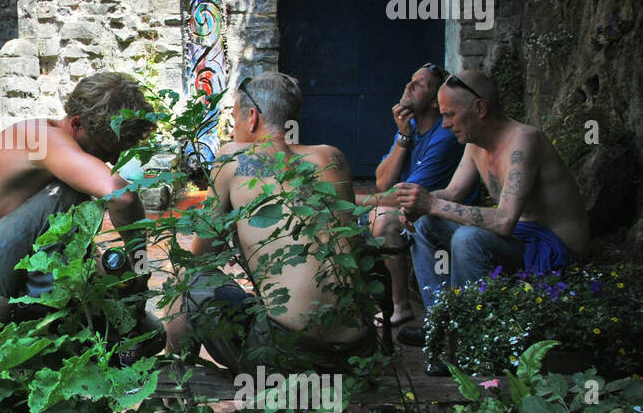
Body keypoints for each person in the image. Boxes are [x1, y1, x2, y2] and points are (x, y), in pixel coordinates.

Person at [165, 72, 377, 373]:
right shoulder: (332, 158)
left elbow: (201, 258)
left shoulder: (231, 158)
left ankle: (172, 388)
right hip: (359, 351)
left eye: (235, 119)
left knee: (184, 284)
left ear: (252, 118)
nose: (233, 130)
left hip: (291, 355)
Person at [0, 71, 154, 320]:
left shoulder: (53, 146)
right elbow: (123, 197)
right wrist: (140, 268)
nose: (111, 160)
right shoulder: (42, 139)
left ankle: (55, 303)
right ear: (76, 124)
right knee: (68, 193)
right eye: (104, 149)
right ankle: (46, 316)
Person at [395, 69, 591, 345]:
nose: (445, 125)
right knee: (425, 222)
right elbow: (452, 193)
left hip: (554, 249)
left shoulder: (524, 141)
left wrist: (432, 202)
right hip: (520, 239)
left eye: (449, 114)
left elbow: (504, 220)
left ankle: (466, 339)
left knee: (469, 238)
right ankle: (440, 324)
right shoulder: (475, 143)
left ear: (480, 108)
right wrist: (419, 205)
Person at [356, 62, 473, 328]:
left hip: (443, 216)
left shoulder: (445, 135)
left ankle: (401, 306)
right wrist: (402, 135)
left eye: (419, 85)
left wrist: (350, 200)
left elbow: (404, 197)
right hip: (415, 211)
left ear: (435, 103)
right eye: (410, 80)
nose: (408, 87)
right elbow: (383, 181)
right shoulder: (409, 128)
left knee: (382, 217)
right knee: (371, 214)